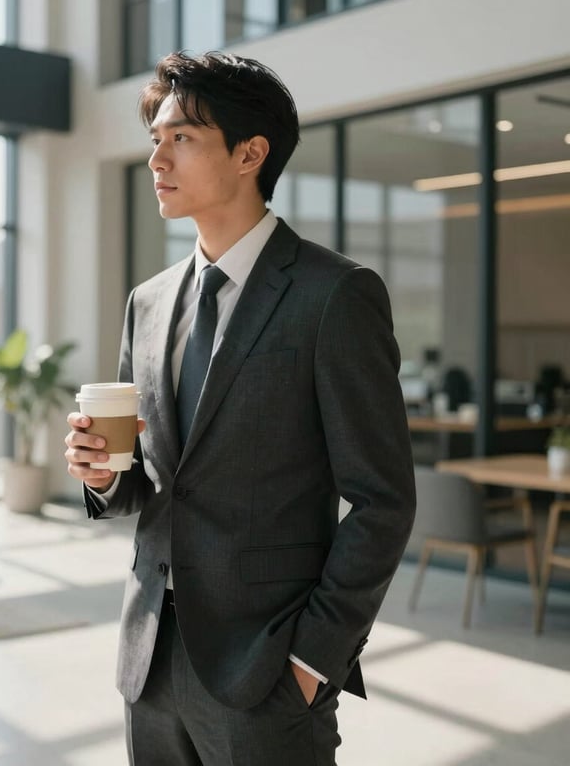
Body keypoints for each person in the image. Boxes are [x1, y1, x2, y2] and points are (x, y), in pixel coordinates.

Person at [65, 50, 415, 766]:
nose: (157, 156)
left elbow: (382, 501)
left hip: (268, 672)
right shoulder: (148, 302)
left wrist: (314, 660)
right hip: (150, 662)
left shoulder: (335, 296)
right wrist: (102, 475)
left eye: (182, 138)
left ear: (251, 152)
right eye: (155, 138)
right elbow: (152, 484)